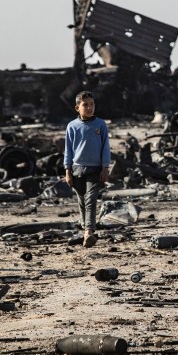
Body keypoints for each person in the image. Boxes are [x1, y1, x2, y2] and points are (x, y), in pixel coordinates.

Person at [64, 91, 111, 247]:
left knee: (91, 199)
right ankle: (86, 230)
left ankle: (88, 232)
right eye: (86, 105)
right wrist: (67, 170)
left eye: (92, 104)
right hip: (77, 169)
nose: (90, 108)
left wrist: (105, 167)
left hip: (95, 169)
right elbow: (68, 150)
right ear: (77, 107)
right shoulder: (72, 126)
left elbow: (105, 147)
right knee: (82, 201)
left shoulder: (100, 125)